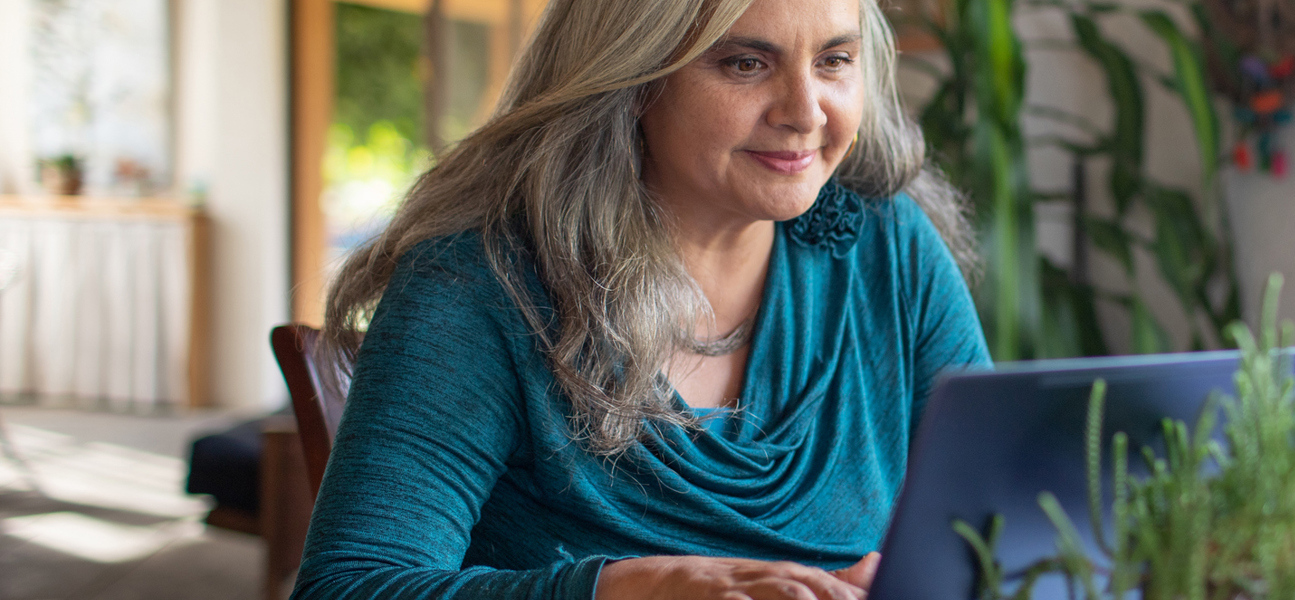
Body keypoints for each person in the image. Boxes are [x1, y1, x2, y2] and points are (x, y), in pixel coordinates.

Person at [292, 0, 989, 595]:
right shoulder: (479, 283)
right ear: (629, 76)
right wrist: (623, 589)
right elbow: (351, 583)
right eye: (745, 63)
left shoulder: (890, 246)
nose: (805, 112)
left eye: (835, 60)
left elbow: (1000, 522)